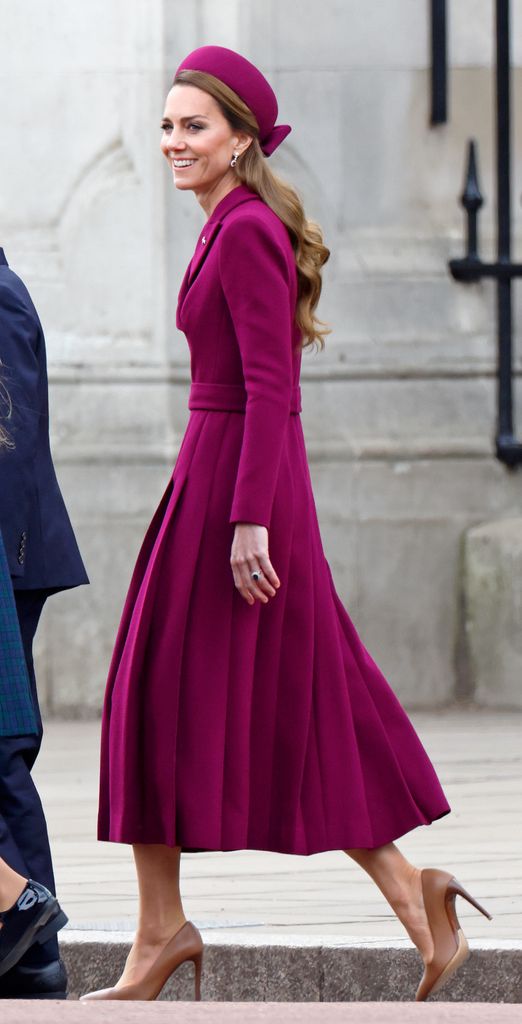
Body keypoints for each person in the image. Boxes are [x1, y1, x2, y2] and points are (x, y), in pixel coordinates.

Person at [83, 46, 491, 1004]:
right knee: (306, 701)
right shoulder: (224, 225)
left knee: (161, 693)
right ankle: (408, 897)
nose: (175, 141)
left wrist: (249, 522)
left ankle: (163, 933)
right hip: (215, 479)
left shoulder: (251, 231)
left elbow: (274, 388)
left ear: (241, 141)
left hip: (240, 494)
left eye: (196, 126)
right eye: (169, 124)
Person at [0, 251, 89, 999]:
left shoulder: (0, 295)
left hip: (9, 555)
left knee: (2, 747)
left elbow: (11, 445)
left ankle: (33, 944)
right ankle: (32, 954)